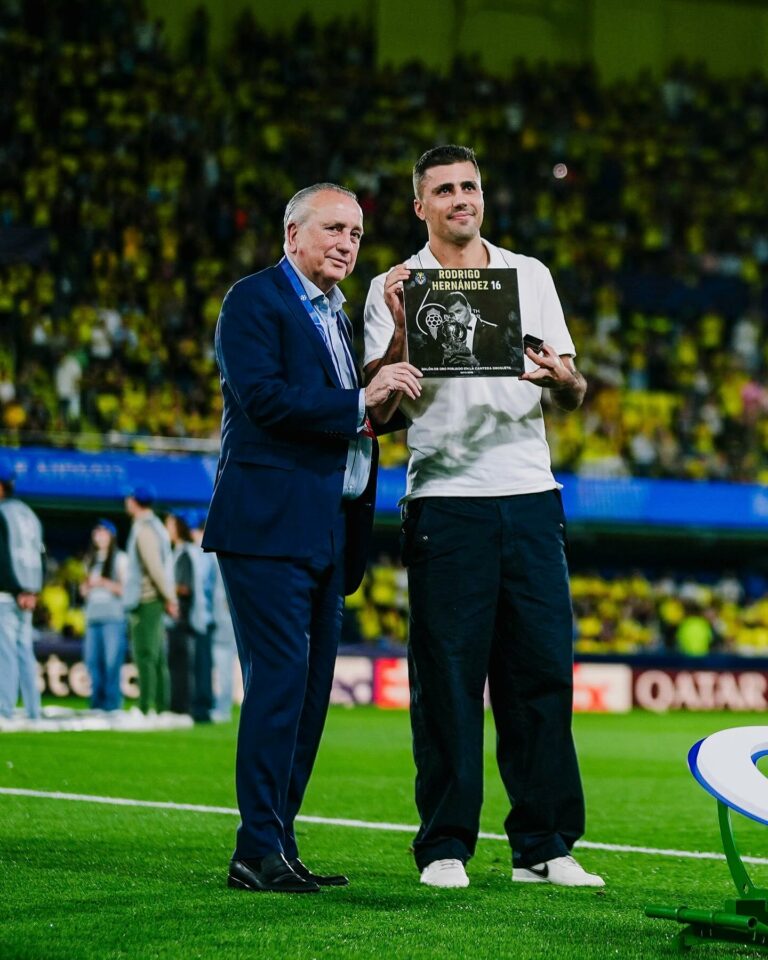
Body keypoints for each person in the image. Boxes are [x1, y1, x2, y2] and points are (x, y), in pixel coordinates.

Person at [364, 145, 604, 890]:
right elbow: (383, 412)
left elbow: (572, 392)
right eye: (444, 190)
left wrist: (562, 378)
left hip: (530, 494)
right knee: (447, 681)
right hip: (444, 498)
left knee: (539, 675)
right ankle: (444, 846)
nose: (461, 198)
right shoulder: (392, 286)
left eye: (469, 185)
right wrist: (403, 330)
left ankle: (545, 845)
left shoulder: (529, 275)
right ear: (420, 206)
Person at [202, 182, 421, 894]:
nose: (347, 244)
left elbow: (360, 403)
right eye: (333, 229)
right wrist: (361, 397)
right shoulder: (253, 301)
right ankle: (254, 849)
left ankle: (278, 843)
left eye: (356, 234)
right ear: (292, 233)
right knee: (279, 686)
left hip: (330, 528)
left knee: (308, 695)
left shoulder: (334, 312)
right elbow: (263, 398)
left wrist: (396, 334)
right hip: (268, 526)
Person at [123, 486, 178, 716]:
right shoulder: (157, 526)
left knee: (146, 654)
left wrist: (169, 597)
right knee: (155, 655)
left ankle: (147, 706)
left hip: (147, 599)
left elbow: (154, 568)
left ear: (135, 501)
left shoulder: (145, 528)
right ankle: (160, 705)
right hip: (154, 598)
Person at [0, 460, 44, 721]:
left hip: (8, 594)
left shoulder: (2, 513)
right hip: (29, 593)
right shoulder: (29, 514)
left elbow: (2, 557)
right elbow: (42, 555)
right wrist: (33, 591)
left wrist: (17, 590)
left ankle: (4, 710)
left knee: (4, 653)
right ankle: (33, 711)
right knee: (24, 651)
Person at [165, 510, 213, 722]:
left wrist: (165, 591)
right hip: (194, 618)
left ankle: (191, 709)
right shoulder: (185, 552)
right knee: (191, 666)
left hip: (188, 619)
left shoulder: (188, 553)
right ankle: (193, 708)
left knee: (189, 667)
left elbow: (187, 588)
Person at [81, 519, 128, 713]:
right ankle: (96, 702)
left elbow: (125, 589)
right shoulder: (89, 560)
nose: (99, 536)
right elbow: (84, 590)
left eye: (104, 532)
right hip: (93, 617)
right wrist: (86, 588)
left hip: (112, 617)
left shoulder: (120, 559)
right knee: (92, 661)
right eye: (97, 532)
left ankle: (112, 703)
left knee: (111, 661)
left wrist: (103, 582)